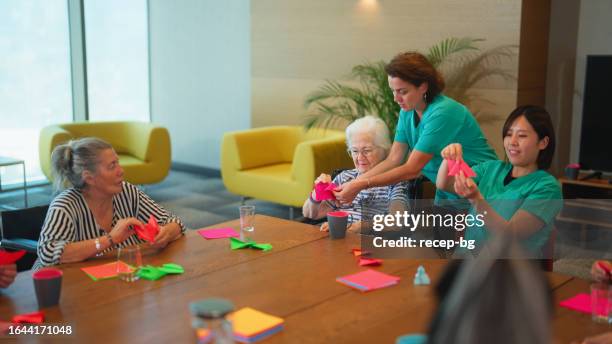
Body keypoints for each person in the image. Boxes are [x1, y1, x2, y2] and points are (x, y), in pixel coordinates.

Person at [334, 52, 497, 206]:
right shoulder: (407, 110)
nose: (396, 98)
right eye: (393, 91)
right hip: (448, 189)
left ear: (423, 87)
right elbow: (394, 159)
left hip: (483, 185)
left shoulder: (444, 112)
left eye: (402, 91)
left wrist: (362, 184)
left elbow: (412, 169)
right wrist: (354, 183)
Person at [34, 138, 185, 269]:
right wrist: (110, 239)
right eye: (112, 166)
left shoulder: (126, 192)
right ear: (89, 177)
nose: (121, 171)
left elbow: (175, 223)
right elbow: (48, 253)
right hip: (70, 289)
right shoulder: (65, 206)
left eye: (118, 163)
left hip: (118, 279)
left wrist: (167, 233)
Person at [436, 105, 562, 254]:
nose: (512, 142)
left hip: (509, 271)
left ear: (543, 142)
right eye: (509, 134)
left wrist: (477, 199)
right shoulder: (490, 168)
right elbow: (445, 183)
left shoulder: (547, 187)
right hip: (467, 264)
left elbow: (509, 234)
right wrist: (449, 157)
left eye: (522, 136)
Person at [302, 116, 411, 232]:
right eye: (354, 151)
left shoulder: (394, 181)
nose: (359, 158)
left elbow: (397, 221)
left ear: (386, 150)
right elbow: (311, 214)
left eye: (367, 150)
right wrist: (317, 192)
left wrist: (361, 226)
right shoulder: (345, 177)